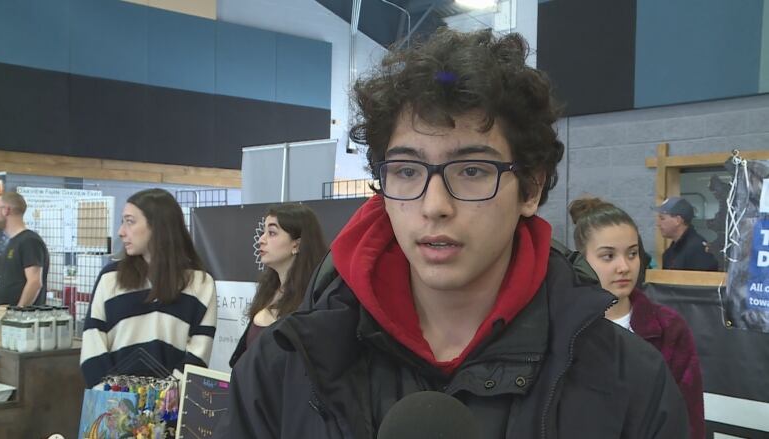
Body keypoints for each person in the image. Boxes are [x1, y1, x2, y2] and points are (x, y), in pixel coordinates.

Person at [217, 29, 687, 438]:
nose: (434, 206)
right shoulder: (287, 366)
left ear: (532, 187)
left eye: (472, 170)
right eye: (406, 171)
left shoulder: (629, 384)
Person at [570, 197, 705, 439]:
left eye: (632, 254)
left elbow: (689, 416)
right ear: (581, 261)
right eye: (608, 256)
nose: (624, 266)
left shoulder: (670, 328)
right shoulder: (564, 328)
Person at [80, 188, 217, 387]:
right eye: (123, 221)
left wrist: (161, 401)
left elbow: (198, 355)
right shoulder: (111, 278)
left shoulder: (200, 283)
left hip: (169, 410)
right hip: (113, 409)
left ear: (158, 226)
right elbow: (93, 345)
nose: (121, 231)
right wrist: (113, 399)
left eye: (130, 221)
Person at [228, 203, 327, 367]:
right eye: (263, 232)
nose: (261, 240)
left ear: (296, 244)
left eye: (272, 233)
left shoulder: (314, 299)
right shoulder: (267, 290)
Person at [0, 192, 49, 306]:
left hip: (20, 320)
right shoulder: (13, 242)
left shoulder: (29, 241)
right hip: (7, 317)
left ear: (5, 210)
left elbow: (35, 282)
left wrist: (19, 311)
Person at [655, 196, 718, 271]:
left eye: (662, 218)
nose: (658, 223)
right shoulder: (670, 252)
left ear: (678, 220)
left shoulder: (698, 250)